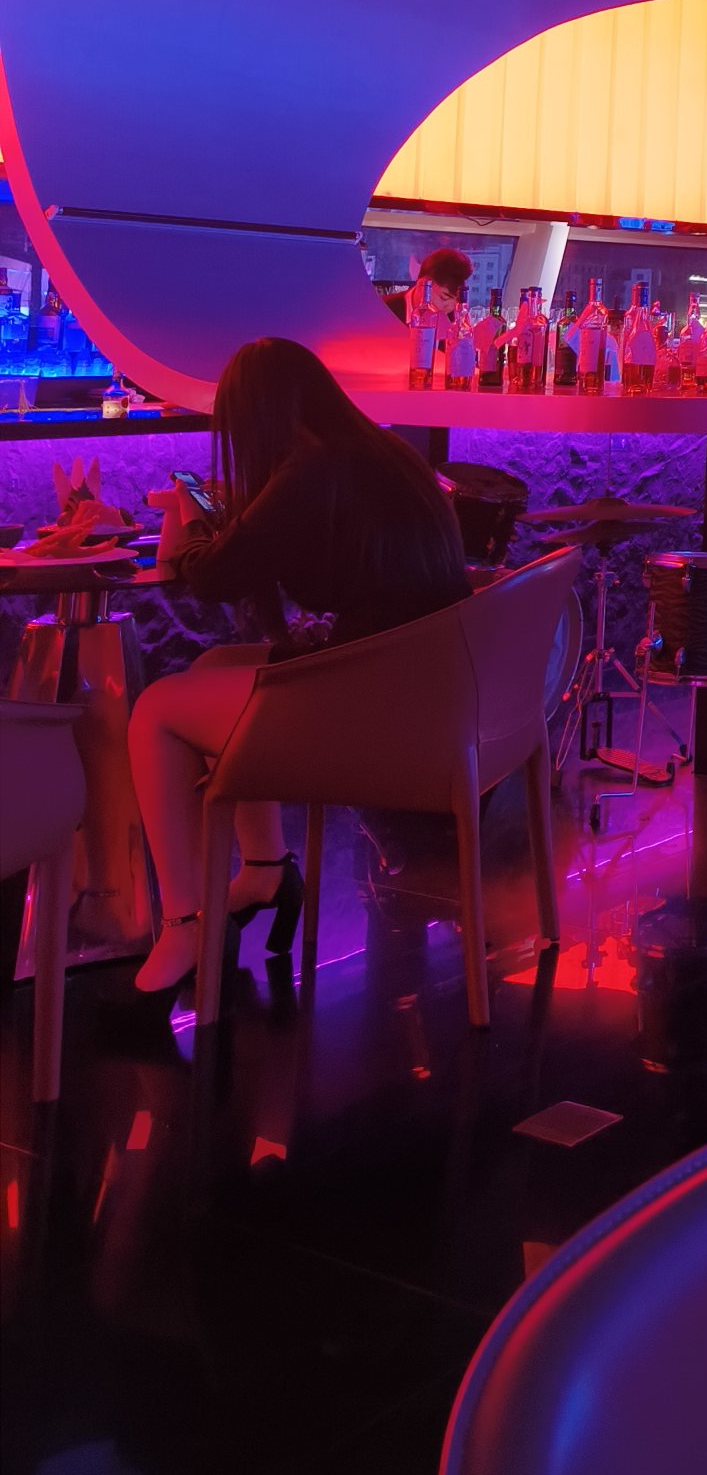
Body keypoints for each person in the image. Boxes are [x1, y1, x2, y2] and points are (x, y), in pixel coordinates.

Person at [128, 336, 472, 994]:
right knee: (211, 667)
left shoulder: (309, 470)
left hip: (376, 704)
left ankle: (184, 922)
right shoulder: (381, 451)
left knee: (155, 712)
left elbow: (213, 577)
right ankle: (265, 868)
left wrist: (190, 516)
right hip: (426, 685)